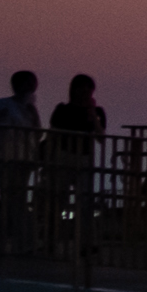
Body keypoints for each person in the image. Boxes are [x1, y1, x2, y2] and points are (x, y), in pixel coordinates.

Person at [0, 71, 40, 251]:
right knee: (11, 198)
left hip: (24, 158)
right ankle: (13, 239)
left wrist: (33, 115)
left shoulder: (30, 109)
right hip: (4, 157)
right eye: (28, 84)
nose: (31, 88)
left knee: (15, 198)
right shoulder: (3, 104)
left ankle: (11, 238)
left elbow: (37, 132)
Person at [45, 75, 106, 248]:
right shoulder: (62, 109)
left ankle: (86, 242)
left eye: (89, 89)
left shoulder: (98, 112)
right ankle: (51, 240)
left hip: (85, 158)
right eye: (82, 88)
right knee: (57, 200)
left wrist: (93, 115)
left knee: (85, 201)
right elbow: (53, 133)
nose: (85, 92)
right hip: (63, 156)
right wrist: (49, 158)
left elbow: (101, 137)